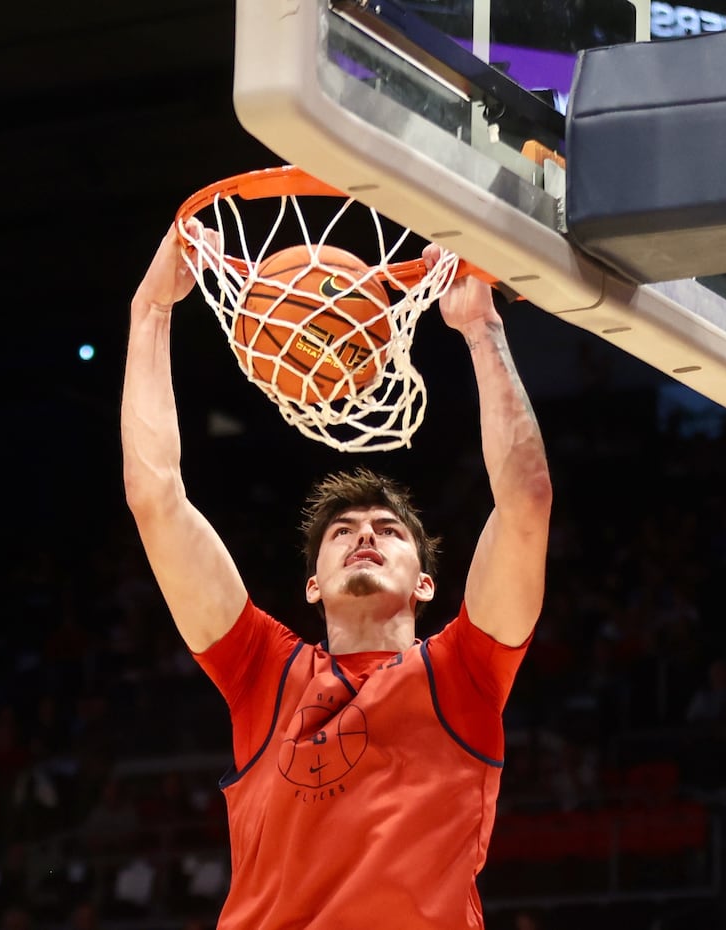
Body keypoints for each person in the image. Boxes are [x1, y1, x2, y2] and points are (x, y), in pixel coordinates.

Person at [121, 220, 552, 930]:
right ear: (312, 586)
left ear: (425, 584)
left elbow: (527, 500)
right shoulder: (262, 671)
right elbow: (156, 496)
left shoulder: (467, 670)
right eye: (342, 533)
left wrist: (480, 330)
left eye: (388, 532)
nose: (364, 537)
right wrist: (150, 309)